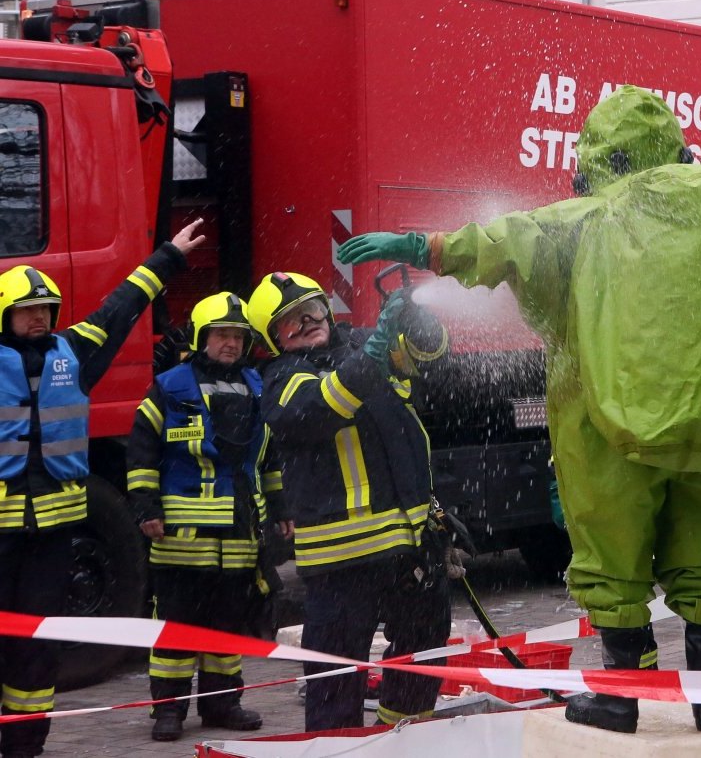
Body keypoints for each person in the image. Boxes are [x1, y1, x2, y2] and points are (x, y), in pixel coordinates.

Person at [337, 85, 701, 735]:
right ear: (676, 148)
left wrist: (426, 250)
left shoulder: (587, 217)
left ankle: (621, 694)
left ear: (599, 157)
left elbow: (506, 239)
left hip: (608, 423)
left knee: (611, 552)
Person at [0, 220, 204, 758]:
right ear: (5, 315)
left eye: (45, 309)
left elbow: (119, 310)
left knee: (38, 648)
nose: (39, 317)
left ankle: (25, 744)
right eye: (27, 310)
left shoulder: (74, 352)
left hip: (52, 539)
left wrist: (168, 259)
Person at [245, 271, 453, 731]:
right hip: (344, 556)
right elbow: (322, 406)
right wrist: (374, 354)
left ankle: (401, 736)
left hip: (410, 542)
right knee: (337, 672)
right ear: (273, 340)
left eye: (312, 311)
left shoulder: (364, 343)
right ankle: (335, 745)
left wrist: (415, 318)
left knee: (425, 646)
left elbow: (433, 356)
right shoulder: (282, 378)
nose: (307, 323)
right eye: (290, 323)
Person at [126, 291, 292, 742]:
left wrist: (280, 509)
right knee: (178, 627)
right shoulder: (171, 386)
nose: (230, 344)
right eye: (221, 334)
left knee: (225, 628)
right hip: (182, 536)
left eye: (238, 336)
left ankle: (223, 704)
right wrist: (145, 506)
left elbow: (269, 458)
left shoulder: (258, 387)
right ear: (202, 337)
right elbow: (142, 449)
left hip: (240, 536)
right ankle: (169, 710)